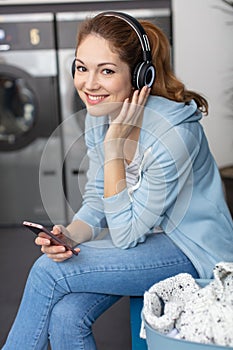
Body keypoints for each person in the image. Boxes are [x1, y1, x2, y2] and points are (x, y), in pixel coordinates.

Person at [3, 11, 233, 350]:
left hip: (190, 250)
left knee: (47, 272)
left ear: (140, 76)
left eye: (106, 71)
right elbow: (98, 197)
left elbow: (125, 235)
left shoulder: (173, 135)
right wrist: (69, 234)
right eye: (82, 67)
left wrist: (114, 151)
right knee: (67, 315)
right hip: (146, 244)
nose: (89, 84)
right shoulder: (103, 113)